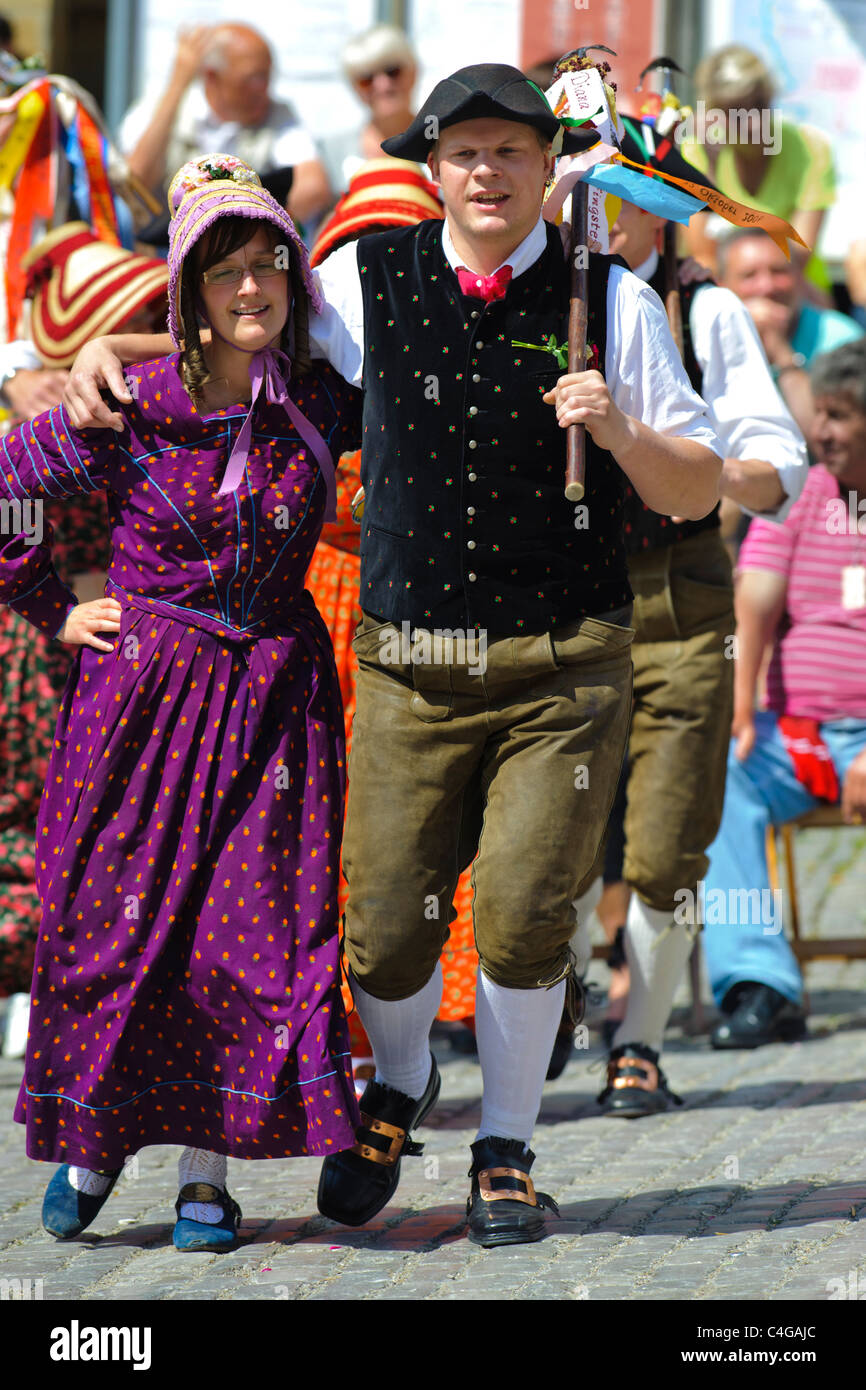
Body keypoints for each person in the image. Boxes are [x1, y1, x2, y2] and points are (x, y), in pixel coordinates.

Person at [60, 63, 723, 1249]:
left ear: (543, 170)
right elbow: (230, 311)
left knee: (522, 916)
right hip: (412, 661)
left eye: (509, 152)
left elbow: (694, 488)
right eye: (463, 151)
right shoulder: (362, 281)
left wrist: (614, 427)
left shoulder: (611, 302)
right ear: (431, 169)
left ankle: (505, 1150)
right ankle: (399, 1082)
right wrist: (91, 356)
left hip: (558, 663)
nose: (485, 170)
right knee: (382, 927)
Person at [0, 154, 362, 1251]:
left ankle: (207, 1177)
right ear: (188, 291)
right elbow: (8, 489)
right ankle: (91, 1141)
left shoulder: (312, 397)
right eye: (224, 274)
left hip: (274, 701)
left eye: (267, 269)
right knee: (117, 935)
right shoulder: (126, 407)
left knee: (244, 946)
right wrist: (54, 606)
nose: (251, 291)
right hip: (144, 703)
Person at [566, 119, 807, 1115]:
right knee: (556, 836)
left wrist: (706, 478)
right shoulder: (525, 293)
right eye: (577, 193)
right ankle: (560, 1003)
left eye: (608, 196)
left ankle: (639, 1040)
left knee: (665, 841)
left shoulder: (700, 310)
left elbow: (778, 467)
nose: (588, 214)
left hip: (673, 597)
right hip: (553, 599)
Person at [305, 160, 480, 1086]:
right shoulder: (300, 358)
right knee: (320, 825)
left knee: (423, 821)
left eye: (391, 244)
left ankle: (421, 1031)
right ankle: (338, 1033)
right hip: (316, 607)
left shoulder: (450, 347)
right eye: (355, 247)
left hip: (419, 611)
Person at [0, 224, 168, 1052]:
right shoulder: (64, 415)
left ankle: (65, 996)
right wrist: (56, 606)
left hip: (99, 638)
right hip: (60, 642)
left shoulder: (124, 400)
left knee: (87, 822)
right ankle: (50, 994)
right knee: (48, 815)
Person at [703, 338, 866, 1048]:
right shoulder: (799, 497)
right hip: (797, 733)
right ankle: (759, 983)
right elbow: (755, 603)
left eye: (838, 417)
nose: (820, 431)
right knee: (720, 775)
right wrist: (740, 713)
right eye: (818, 414)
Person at [120, 24, 331, 227]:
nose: (265, 88)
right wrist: (177, 84)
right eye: (254, 78)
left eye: (267, 76)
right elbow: (135, 186)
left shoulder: (277, 115)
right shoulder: (160, 109)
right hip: (163, 254)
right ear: (211, 76)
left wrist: (243, 230)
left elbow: (313, 188)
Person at [680, 44, 836, 295]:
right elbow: (704, 259)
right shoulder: (697, 151)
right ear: (713, 113)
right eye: (736, 111)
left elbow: (795, 259)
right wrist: (710, 170)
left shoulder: (811, 149)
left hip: (791, 288)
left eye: (759, 105)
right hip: (724, 291)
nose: (753, 122)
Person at [717, 227, 864, 445]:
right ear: (722, 285)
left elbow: (829, 442)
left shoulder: (841, 338)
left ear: (799, 276)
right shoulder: (708, 338)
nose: (767, 286)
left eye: (779, 272)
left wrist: (781, 353)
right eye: (749, 275)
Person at [317, 24, 420, 197]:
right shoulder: (331, 151)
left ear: (414, 71)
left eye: (392, 72)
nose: (382, 86)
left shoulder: (441, 139)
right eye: (366, 79)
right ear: (354, 87)